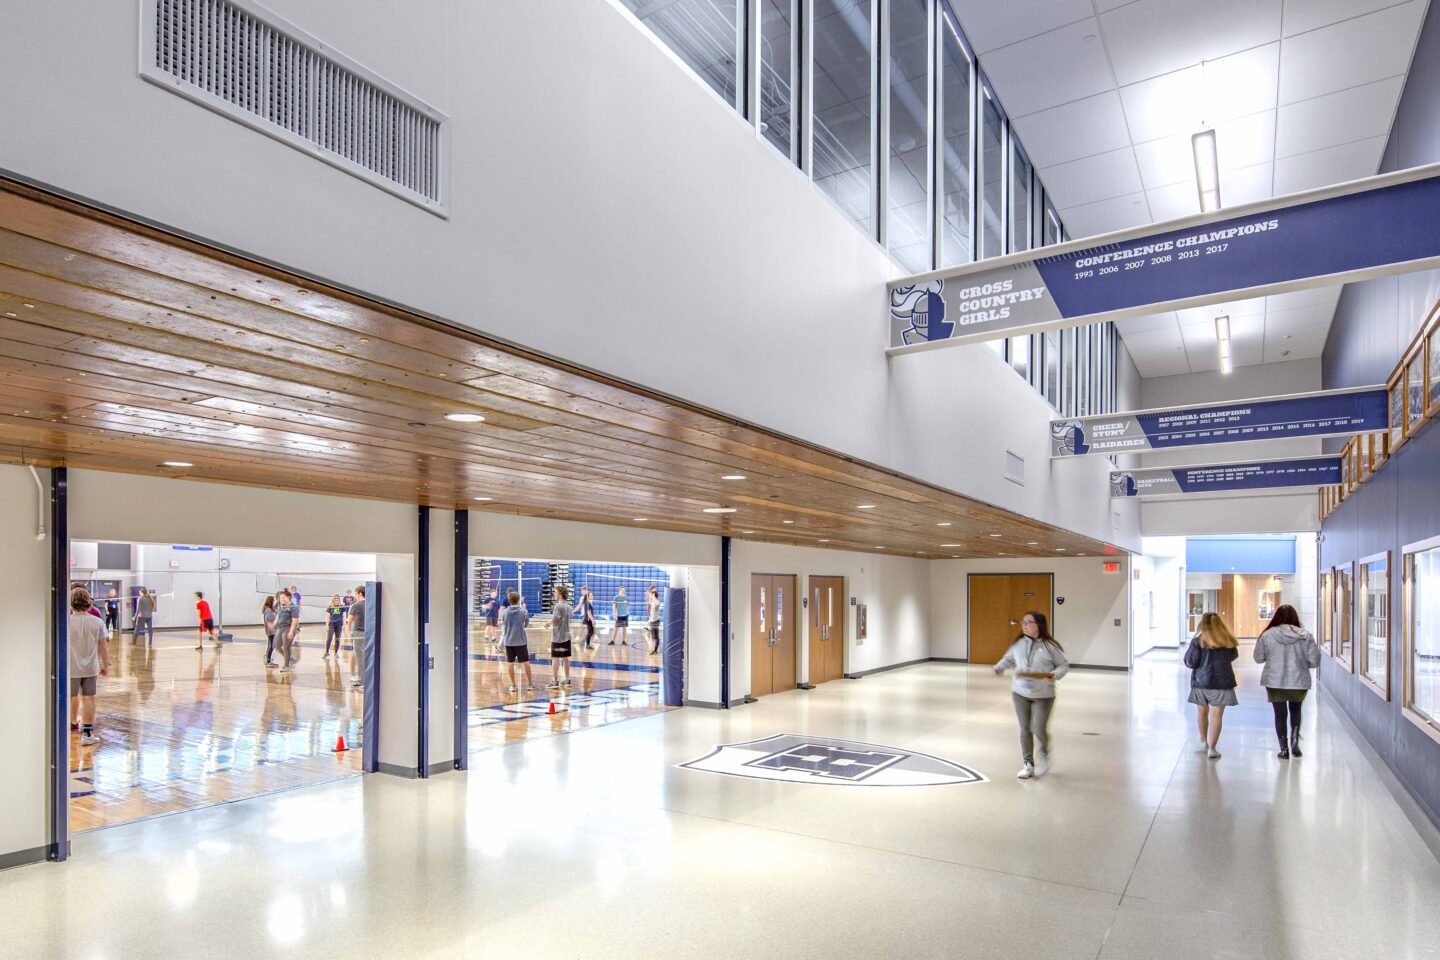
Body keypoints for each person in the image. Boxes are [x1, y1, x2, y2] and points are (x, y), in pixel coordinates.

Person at [993, 610, 1069, 779]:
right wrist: (999, 666)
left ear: (1039, 625)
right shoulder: (1018, 644)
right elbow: (1009, 658)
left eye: (1028, 622)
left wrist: (1055, 675)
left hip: (1044, 695)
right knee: (1025, 729)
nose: (1024, 625)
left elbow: (1063, 665)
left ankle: (1045, 751)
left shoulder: (1051, 647)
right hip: (1020, 693)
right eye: (1023, 622)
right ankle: (1028, 764)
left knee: (1039, 728)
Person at [1254, 604, 1322, 760]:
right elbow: (1314, 662)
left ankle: (1283, 749)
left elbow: (1258, 658)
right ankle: (1295, 742)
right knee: (1296, 711)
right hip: (1298, 680)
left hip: (1274, 681)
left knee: (1279, 714)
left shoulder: (1267, 635)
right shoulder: (1306, 636)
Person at [1184, 612, 1239, 759]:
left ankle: (1203, 740)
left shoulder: (1198, 641)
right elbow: (1233, 656)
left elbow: (1190, 662)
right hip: (1223, 683)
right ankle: (1213, 748)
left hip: (1201, 683)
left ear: (1203, 624)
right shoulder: (1228, 641)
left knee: (1202, 712)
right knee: (1217, 715)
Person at [69, 587, 110, 746]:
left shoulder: (67, 622)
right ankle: (87, 734)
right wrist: (105, 665)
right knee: (89, 699)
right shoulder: (98, 622)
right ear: (88, 602)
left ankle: (69, 724)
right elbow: (103, 647)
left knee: (70, 697)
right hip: (90, 668)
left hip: (71, 668)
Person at [501, 588, 534, 695]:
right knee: (526, 662)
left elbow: (504, 623)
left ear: (509, 600)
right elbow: (526, 624)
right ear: (518, 599)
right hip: (520, 641)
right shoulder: (524, 611)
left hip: (508, 641)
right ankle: (529, 684)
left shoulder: (505, 612)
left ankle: (513, 685)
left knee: (510, 663)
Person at [549, 586, 574, 689]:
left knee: (555, 658)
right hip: (566, 636)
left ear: (559, 594)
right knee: (565, 658)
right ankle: (567, 679)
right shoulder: (568, 606)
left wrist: (547, 623)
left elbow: (555, 620)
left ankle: (555, 681)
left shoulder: (558, 606)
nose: (554, 594)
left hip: (558, 637)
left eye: (555, 593)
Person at [274, 589, 299, 673]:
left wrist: (291, 632)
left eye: (283, 597)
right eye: (280, 598)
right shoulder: (281, 606)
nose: (281, 599)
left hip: (289, 628)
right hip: (281, 628)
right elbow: (278, 617)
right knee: (277, 646)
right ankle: (289, 658)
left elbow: (295, 620)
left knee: (285, 647)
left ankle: (286, 665)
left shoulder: (294, 607)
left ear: (288, 597)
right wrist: (273, 625)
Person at [348, 585, 367, 688]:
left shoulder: (355, 605)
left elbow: (349, 621)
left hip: (358, 633)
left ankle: (361, 681)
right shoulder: (370, 604)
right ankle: (363, 678)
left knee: (360, 657)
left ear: (360, 593)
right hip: (369, 633)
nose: (355, 595)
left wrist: (347, 630)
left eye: (356, 593)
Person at [262, 595, 279, 667]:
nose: (274, 602)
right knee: (271, 646)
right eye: (273, 601)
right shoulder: (268, 609)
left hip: (272, 630)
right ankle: (268, 661)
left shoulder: (269, 609)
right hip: (271, 630)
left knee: (270, 645)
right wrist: (272, 628)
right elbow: (268, 619)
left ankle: (268, 659)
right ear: (270, 601)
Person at [646, 586, 663, 655]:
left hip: (656, 621)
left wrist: (654, 597)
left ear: (654, 595)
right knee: (653, 636)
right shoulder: (652, 602)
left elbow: (657, 603)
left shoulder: (657, 601)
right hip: (652, 621)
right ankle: (654, 650)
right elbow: (648, 604)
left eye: (652, 594)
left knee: (656, 636)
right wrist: (650, 595)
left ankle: (655, 651)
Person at [579, 586, 596, 650]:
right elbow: (589, 613)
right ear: (588, 597)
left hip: (588, 619)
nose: (592, 596)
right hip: (588, 619)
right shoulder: (587, 603)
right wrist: (593, 620)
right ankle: (587, 645)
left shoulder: (588, 602)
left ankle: (587, 643)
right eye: (591, 595)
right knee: (590, 632)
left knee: (591, 632)